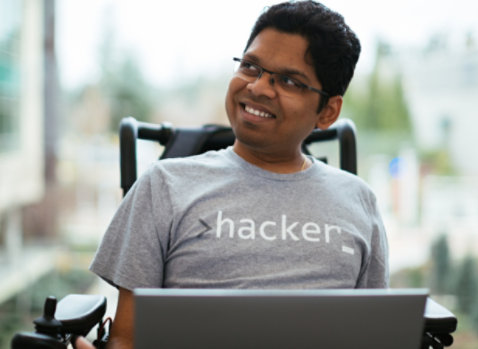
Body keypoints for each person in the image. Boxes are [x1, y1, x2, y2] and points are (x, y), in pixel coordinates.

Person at [76, 1, 389, 348]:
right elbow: (127, 339)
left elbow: (375, 334)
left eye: (287, 80)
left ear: (328, 111)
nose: (257, 88)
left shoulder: (359, 201)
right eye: (251, 66)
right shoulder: (164, 186)